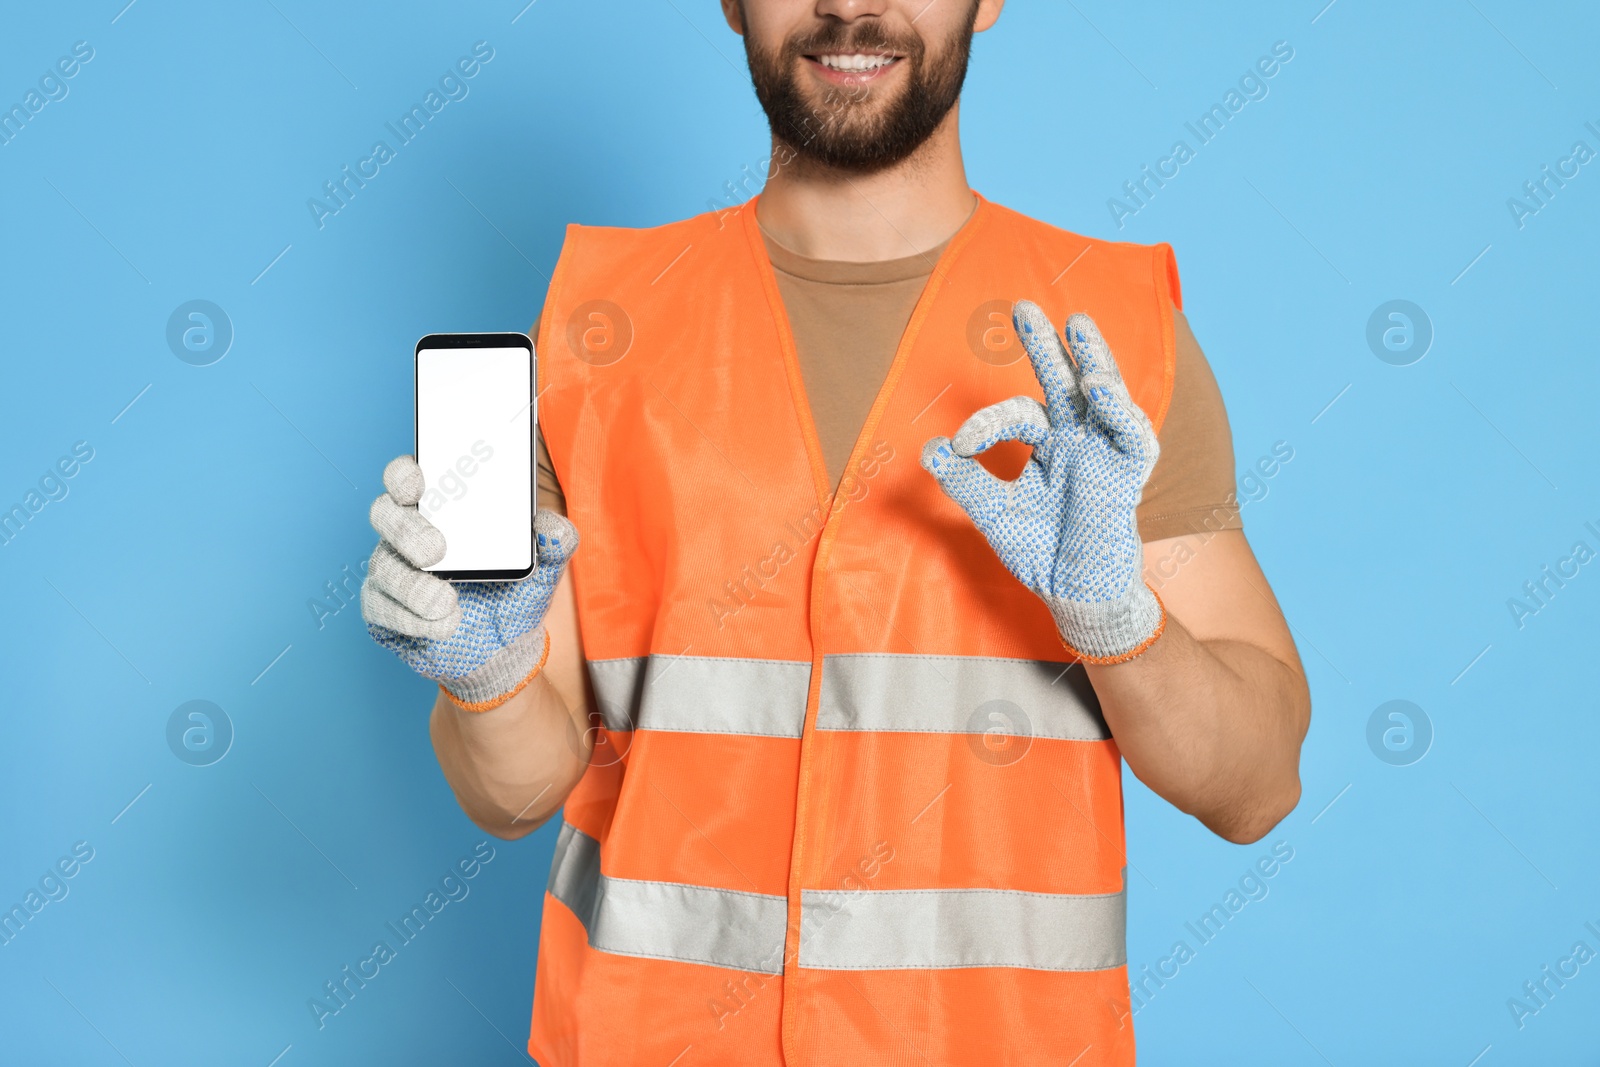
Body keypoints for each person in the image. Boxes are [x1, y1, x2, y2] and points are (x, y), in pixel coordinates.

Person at [359, 0, 1310, 1062]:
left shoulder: (1109, 336)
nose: (850, 6)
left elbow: (1257, 783)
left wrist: (1113, 617)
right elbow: (517, 792)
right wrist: (485, 679)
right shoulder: (594, 325)